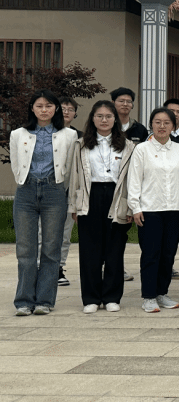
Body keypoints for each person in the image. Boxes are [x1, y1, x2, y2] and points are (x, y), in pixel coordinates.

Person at [10, 90, 79, 315]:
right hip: (26, 190)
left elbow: (70, 167)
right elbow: (16, 164)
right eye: (39, 106)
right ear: (32, 108)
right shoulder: (18, 134)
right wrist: (25, 181)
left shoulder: (68, 135)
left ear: (56, 109)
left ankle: (45, 300)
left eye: (48, 106)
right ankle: (23, 300)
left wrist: (64, 192)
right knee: (25, 249)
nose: (44, 110)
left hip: (54, 191)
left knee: (51, 248)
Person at [69, 100, 135, 313]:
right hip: (90, 196)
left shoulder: (128, 145)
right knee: (90, 250)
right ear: (92, 118)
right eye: (99, 116)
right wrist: (74, 206)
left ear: (115, 119)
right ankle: (91, 298)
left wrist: (131, 207)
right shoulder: (81, 145)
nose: (104, 120)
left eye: (108, 116)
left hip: (117, 196)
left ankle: (112, 297)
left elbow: (132, 179)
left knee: (115, 249)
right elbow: (74, 176)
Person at [127, 107, 179, 313]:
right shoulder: (142, 150)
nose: (162, 126)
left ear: (173, 126)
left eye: (166, 123)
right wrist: (135, 207)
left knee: (168, 254)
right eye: (157, 122)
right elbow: (134, 180)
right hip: (150, 210)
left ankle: (162, 293)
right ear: (151, 124)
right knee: (150, 254)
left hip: (174, 211)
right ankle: (148, 296)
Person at [53, 96, 80, 288]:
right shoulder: (48, 133)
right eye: (63, 108)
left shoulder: (79, 136)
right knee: (44, 232)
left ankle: (59, 268)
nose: (66, 112)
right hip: (50, 190)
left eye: (70, 109)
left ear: (75, 114)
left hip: (70, 192)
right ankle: (42, 267)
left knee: (65, 233)